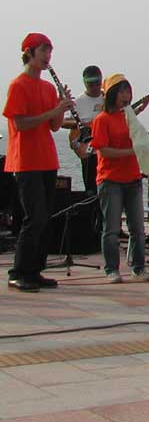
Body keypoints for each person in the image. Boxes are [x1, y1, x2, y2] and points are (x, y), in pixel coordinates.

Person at [4, 33, 73, 292]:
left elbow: (54, 126)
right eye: (43, 50)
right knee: (34, 218)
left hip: (47, 159)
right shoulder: (18, 85)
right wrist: (53, 111)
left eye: (49, 51)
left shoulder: (47, 88)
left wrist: (61, 107)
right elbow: (21, 123)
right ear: (29, 53)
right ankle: (18, 272)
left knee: (45, 219)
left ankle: (35, 271)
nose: (48, 56)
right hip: (25, 160)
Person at [90, 73, 149, 283]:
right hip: (110, 180)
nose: (126, 96)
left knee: (137, 228)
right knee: (112, 229)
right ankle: (112, 269)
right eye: (122, 92)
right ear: (111, 94)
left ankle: (138, 268)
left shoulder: (129, 116)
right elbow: (103, 150)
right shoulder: (102, 119)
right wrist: (131, 152)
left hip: (133, 178)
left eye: (128, 91)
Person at [68, 65, 104, 192]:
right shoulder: (78, 102)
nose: (95, 87)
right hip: (88, 150)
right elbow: (64, 122)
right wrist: (84, 124)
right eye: (90, 84)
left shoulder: (108, 98)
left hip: (106, 150)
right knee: (91, 190)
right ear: (85, 83)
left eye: (97, 83)